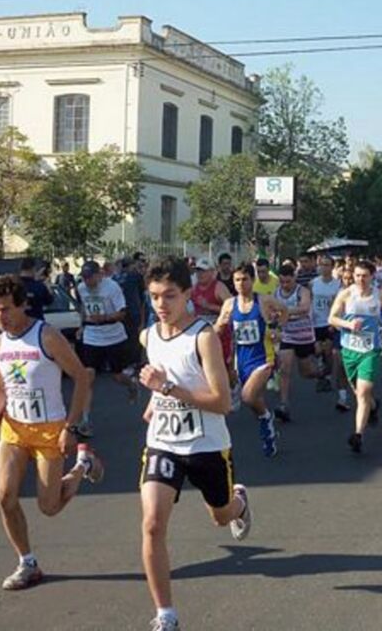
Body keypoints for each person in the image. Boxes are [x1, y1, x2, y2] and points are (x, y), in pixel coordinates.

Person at [136, 259, 252, 631]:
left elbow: (221, 401)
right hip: (164, 444)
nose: (161, 304)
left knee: (221, 516)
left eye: (169, 295)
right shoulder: (148, 335)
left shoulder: (202, 336)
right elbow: (163, 375)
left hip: (207, 445)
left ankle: (240, 503)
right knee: (152, 525)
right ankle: (165, 615)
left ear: (187, 294)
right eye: (154, 296)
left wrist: (166, 389)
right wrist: (157, 402)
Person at [0, 274, 102, 591]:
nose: (0, 316)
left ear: (23, 305)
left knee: (48, 507)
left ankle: (82, 466)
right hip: (14, 431)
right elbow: (0, 389)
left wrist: (72, 426)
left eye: (6, 309)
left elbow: (81, 377)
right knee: (5, 497)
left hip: (50, 429)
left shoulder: (46, 336)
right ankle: (27, 563)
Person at [215, 262, 288, 458]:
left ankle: (266, 421)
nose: (240, 284)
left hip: (264, 358)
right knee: (253, 399)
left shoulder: (263, 301)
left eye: (244, 279)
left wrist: (276, 328)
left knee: (248, 396)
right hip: (242, 361)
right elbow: (218, 328)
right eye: (237, 280)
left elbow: (284, 311)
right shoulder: (229, 305)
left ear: (252, 280)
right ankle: (266, 420)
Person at [328, 260, 382, 454]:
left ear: (372, 276)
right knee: (359, 393)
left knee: (364, 390)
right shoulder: (346, 293)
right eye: (358, 275)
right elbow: (331, 318)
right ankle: (373, 407)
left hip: (370, 349)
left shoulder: (379, 294)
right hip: (349, 349)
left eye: (365, 276)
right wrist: (348, 325)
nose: (361, 279)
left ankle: (358, 434)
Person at [76, 260, 133, 434]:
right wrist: (81, 325)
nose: (87, 282)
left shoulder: (112, 287)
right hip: (92, 336)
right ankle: (84, 421)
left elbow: (122, 313)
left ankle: (131, 384)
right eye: (84, 278)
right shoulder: (80, 288)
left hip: (113, 335)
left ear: (99, 275)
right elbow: (84, 309)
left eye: (90, 278)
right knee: (88, 377)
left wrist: (105, 317)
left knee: (117, 376)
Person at [273, 264, 318, 422]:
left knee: (306, 373)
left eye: (288, 282)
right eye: (282, 282)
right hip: (287, 335)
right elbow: (272, 311)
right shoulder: (276, 293)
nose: (285, 285)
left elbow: (304, 308)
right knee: (285, 369)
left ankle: (320, 374)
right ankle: (284, 404)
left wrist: (285, 311)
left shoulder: (302, 291)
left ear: (294, 279)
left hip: (304, 336)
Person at [311, 254, 349, 409]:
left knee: (332, 355)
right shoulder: (313, 283)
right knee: (319, 351)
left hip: (331, 324)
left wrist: (334, 322)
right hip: (316, 323)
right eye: (322, 265)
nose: (324, 268)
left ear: (332, 267)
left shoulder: (338, 285)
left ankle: (339, 393)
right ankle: (323, 373)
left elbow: (340, 306)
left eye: (327, 265)